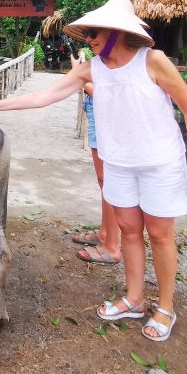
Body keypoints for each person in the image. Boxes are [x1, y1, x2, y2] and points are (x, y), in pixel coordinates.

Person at [0, 0, 187, 342]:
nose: (89, 38)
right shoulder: (90, 68)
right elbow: (41, 97)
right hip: (119, 163)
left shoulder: (153, 61)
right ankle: (134, 298)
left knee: (159, 234)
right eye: (88, 33)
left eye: (95, 32)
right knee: (128, 231)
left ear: (116, 32)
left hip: (160, 162)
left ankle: (166, 307)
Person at [70, 52, 121, 264]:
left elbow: (105, 95)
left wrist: (78, 74)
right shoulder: (103, 62)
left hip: (107, 119)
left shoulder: (123, 61)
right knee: (103, 181)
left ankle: (112, 246)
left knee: (109, 181)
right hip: (97, 116)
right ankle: (104, 233)